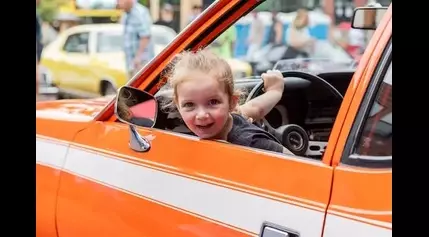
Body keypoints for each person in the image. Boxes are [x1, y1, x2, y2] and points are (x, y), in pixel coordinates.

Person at [160, 49, 292, 154]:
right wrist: (274, 92)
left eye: (213, 102)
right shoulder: (232, 115)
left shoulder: (252, 144)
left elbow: (297, 166)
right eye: (189, 104)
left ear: (232, 103)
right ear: (177, 105)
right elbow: (256, 108)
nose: (201, 115)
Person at [117, 0, 155, 79]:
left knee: (138, 89)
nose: (117, 3)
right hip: (131, 63)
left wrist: (138, 57)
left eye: (119, 0)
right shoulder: (126, 14)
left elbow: (145, 36)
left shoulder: (139, 13)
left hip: (141, 63)